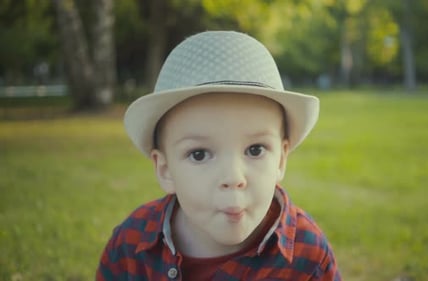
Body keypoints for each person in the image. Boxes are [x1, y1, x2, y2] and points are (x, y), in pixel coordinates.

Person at [96, 30, 342, 280]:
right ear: (165, 170)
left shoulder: (307, 257)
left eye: (255, 150)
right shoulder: (130, 245)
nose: (233, 177)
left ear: (280, 159)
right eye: (199, 154)